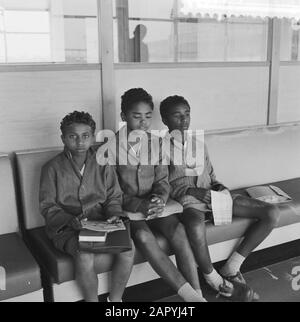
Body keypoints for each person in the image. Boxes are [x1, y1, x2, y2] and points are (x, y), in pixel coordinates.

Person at [160, 95, 281, 301]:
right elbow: (163, 185)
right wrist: (191, 192)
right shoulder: (159, 149)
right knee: (195, 227)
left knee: (272, 212)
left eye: (187, 114)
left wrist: (220, 188)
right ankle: (212, 278)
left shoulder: (199, 144)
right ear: (164, 120)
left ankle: (232, 267)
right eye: (177, 116)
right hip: (188, 201)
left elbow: (212, 176)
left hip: (213, 197)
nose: (184, 120)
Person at [110, 88, 206, 302]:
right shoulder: (111, 148)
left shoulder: (156, 143)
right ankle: (191, 297)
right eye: (136, 116)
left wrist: (159, 198)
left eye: (147, 116)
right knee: (144, 236)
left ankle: (198, 293)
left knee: (179, 230)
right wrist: (139, 205)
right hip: (128, 211)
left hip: (155, 205)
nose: (143, 122)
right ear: (123, 116)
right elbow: (112, 194)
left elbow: (162, 180)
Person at [39, 111, 135, 302]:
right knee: (84, 253)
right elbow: (48, 206)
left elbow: (113, 197)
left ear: (92, 137)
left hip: (101, 222)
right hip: (67, 229)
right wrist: (70, 221)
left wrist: (114, 214)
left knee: (129, 249)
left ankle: (115, 300)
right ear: (63, 138)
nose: (80, 142)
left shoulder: (103, 162)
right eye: (72, 136)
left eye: (85, 136)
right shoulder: (52, 168)